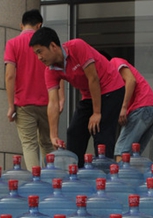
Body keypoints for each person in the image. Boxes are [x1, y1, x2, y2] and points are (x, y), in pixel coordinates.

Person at [29, 27, 125, 164]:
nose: (39, 57)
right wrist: (53, 135)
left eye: (40, 52)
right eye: (36, 54)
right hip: (89, 95)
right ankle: (75, 172)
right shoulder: (50, 71)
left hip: (111, 88)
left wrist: (97, 112)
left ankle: (104, 174)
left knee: (101, 132)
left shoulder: (77, 47)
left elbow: (93, 78)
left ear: (53, 46)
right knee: (74, 132)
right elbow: (53, 103)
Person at [4, 9, 61, 169]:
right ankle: (52, 179)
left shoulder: (12, 44)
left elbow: (10, 75)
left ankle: (35, 182)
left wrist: (10, 105)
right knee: (49, 143)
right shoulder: (46, 44)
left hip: (24, 104)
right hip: (48, 102)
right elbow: (59, 68)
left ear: (21, 25)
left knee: (29, 145)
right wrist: (61, 98)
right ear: (39, 25)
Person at [109, 56, 153, 156]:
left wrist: (123, 108)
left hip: (142, 106)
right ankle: (131, 171)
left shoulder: (114, 62)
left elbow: (131, 80)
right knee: (134, 155)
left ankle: (122, 172)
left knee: (122, 151)